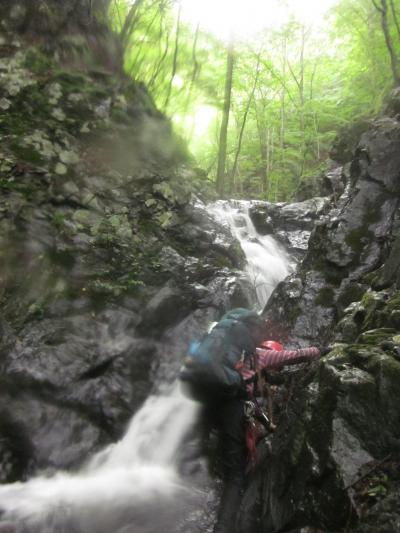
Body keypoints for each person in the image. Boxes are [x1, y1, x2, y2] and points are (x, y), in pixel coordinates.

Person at [208, 338, 322, 533]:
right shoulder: (262, 357)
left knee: (226, 462)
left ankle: (218, 479)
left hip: (218, 412)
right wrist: (321, 350)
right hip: (236, 417)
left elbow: (251, 400)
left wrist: (266, 423)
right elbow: (294, 356)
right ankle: (223, 525)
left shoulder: (241, 362)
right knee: (235, 476)